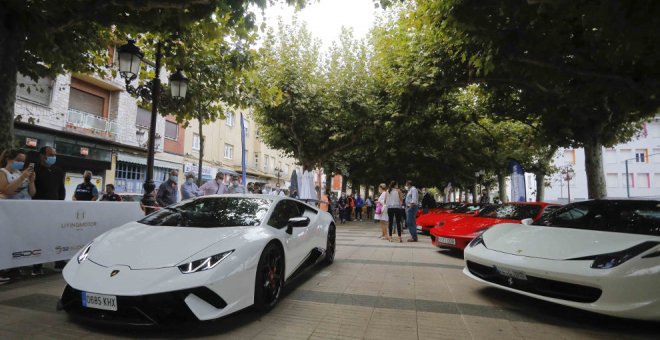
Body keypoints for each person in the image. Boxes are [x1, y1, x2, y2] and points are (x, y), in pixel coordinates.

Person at [0, 149, 36, 283]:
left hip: (24, 212)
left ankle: (14, 268)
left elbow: (32, 193)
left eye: (23, 161)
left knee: (18, 241)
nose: (21, 164)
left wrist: (31, 181)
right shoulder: (2, 172)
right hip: (8, 213)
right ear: (9, 159)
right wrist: (22, 178)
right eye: (19, 160)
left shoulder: (21, 173)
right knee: (6, 241)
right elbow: (6, 191)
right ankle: (3, 269)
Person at [32, 146, 66, 274]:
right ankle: (37, 265)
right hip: (39, 209)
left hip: (55, 209)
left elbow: (61, 189)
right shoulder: (34, 170)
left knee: (57, 236)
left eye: (54, 155)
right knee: (40, 237)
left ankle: (59, 262)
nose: (53, 157)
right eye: (51, 154)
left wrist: (61, 204)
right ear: (42, 156)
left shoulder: (58, 171)